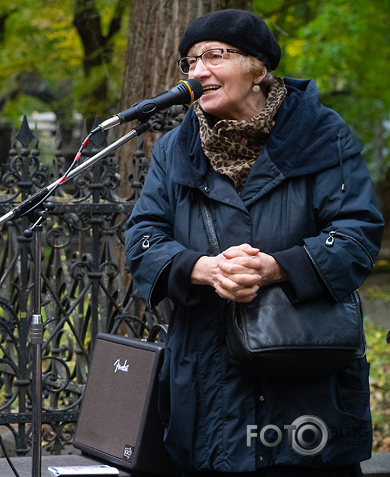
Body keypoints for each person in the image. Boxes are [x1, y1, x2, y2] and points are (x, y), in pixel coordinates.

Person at [124, 8, 384, 477]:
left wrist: (274, 268)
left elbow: (357, 235)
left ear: (259, 68)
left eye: (214, 56)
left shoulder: (324, 135)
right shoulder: (173, 149)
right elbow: (143, 238)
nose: (198, 71)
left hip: (305, 386)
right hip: (205, 386)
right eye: (190, 61)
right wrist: (205, 269)